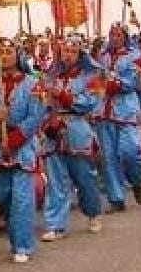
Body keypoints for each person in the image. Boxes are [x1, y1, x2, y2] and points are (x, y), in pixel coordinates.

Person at [0, 37, 47, 262]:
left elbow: (36, 115)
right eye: (1, 52)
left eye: (9, 51)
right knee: (3, 195)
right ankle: (14, 235)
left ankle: (23, 245)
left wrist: (17, 138)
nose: (5, 56)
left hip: (23, 145)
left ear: (17, 56)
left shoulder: (32, 84)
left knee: (21, 197)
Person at [40, 34, 104, 241]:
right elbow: (40, 101)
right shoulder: (49, 75)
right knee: (56, 181)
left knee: (85, 178)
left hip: (77, 129)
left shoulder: (91, 76)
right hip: (52, 130)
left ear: (80, 54)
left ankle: (93, 212)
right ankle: (55, 224)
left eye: (73, 52)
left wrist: (64, 96)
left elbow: (90, 103)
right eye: (65, 51)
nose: (68, 55)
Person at [96, 24, 141, 211]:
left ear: (125, 36)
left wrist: (113, 84)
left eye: (118, 34)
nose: (115, 38)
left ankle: (137, 180)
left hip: (126, 109)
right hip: (104, 111)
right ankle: (116, 197)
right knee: (108, 157)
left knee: (130, 151)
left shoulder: (136, 55)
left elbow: (135, 81)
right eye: (112, 34)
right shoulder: (102, 56)